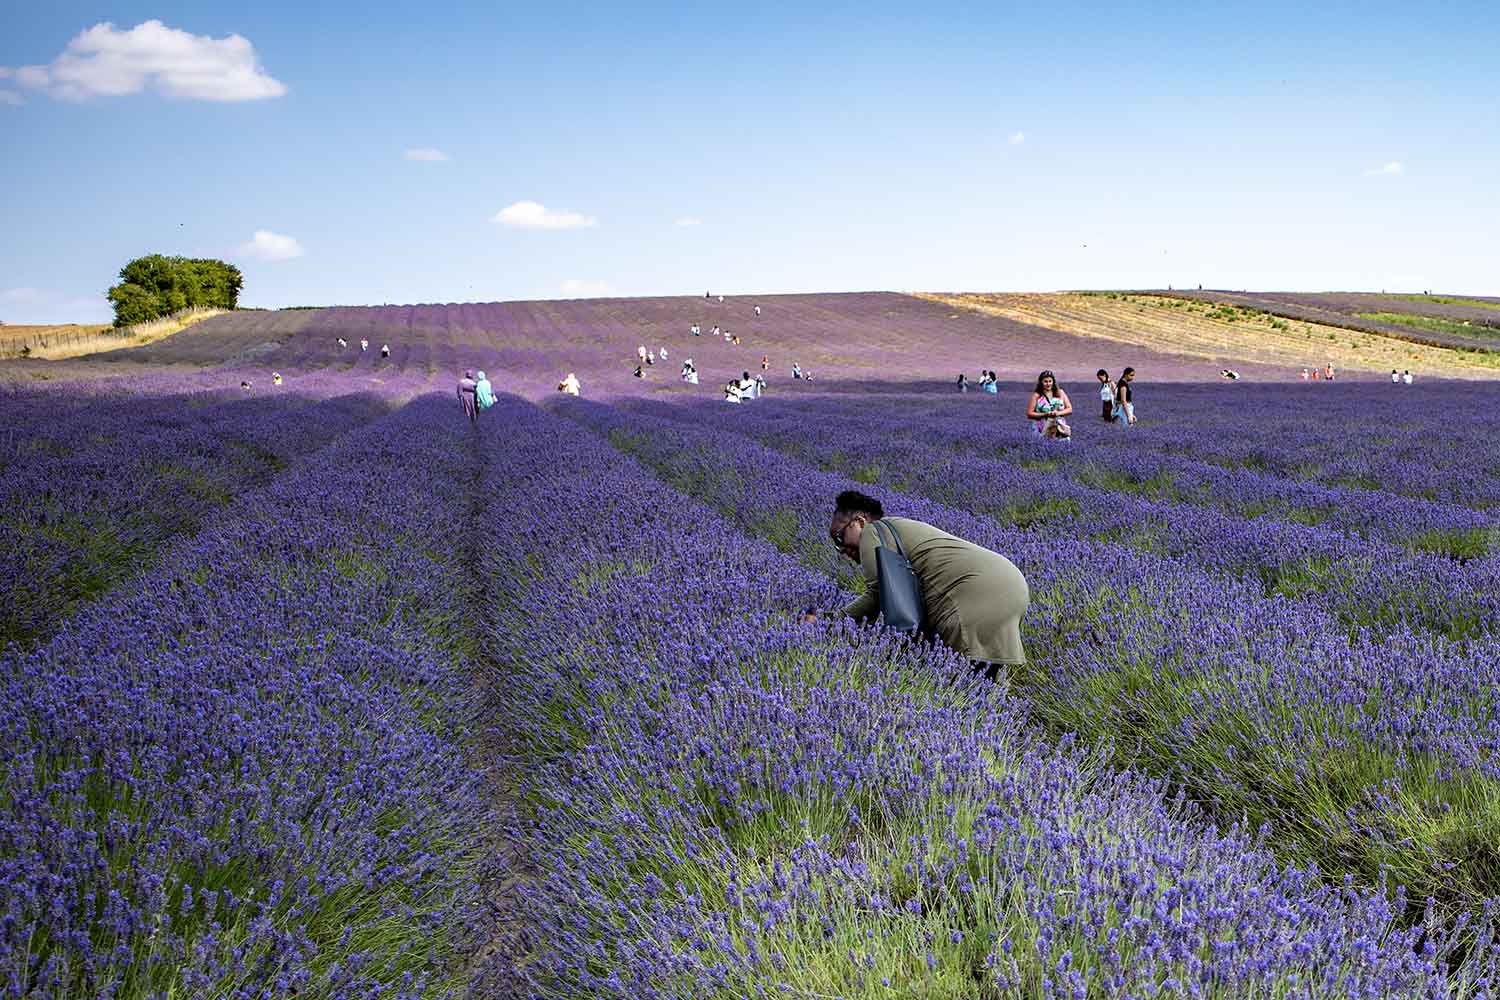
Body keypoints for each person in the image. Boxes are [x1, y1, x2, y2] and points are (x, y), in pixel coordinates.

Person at [810, 490, 1030, 681]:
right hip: (1009, 583)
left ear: (859, 522)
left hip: (974, 592)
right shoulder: (897, 528)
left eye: (839, 538)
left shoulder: (872, 532)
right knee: (982, 682)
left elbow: (876, 595)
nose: (841, 551)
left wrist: (829, 622)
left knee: (957, 685)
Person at [1027, 370, 1073, 438]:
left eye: (1050, 381)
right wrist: (1045, 414)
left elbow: (1069, 409)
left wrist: (1057, 413)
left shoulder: (1060, 393)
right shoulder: (1037, 396)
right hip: (1042, 429)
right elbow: (1029, 413)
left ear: (1053, 382)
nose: (1048, 384)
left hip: (1059, 428)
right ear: (1041, 382)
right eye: (1045, 381)